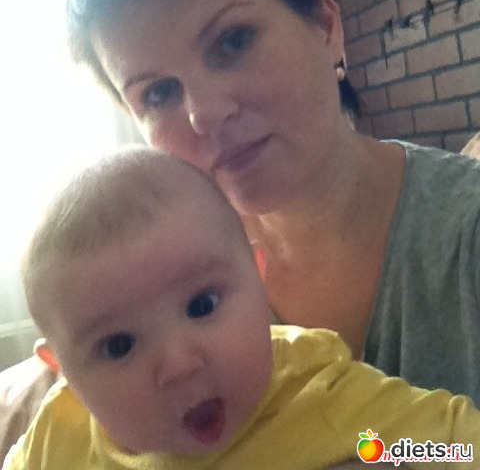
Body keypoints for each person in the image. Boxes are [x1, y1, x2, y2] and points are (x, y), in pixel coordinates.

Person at [66, 0, 480, 406]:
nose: (203, 113)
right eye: (158, 93)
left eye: (233, 41)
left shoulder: (464, 238)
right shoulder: (154, 286)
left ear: (326, 27)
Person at [6, 147, 480, 469]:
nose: (180, 365)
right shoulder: (56, 438)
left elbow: (457, 445)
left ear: (258, 277)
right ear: (61, 368)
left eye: (202, 305)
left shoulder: (321, 399)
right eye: (118, 345)